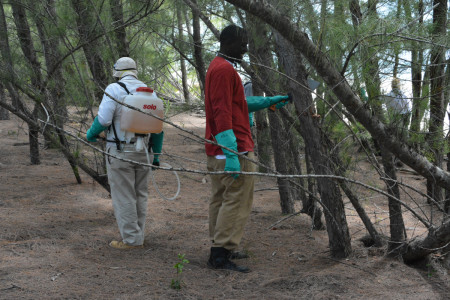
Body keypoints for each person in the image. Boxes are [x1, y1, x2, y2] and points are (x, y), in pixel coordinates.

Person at [205, 25, 290, 273]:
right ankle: (219, 256)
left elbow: (236, 104)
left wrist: (268, 101)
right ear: (228, 42)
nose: (245, 48)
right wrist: (232, 154)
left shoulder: (218, 67)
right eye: (242, 43)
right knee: (236, 200)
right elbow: (222, 113)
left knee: (222, 199)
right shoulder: (223, 70)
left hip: (220, 149)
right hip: (235, 149)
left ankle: (220, 248)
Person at [86, 57, 164, 249]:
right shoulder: (149, 92)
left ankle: (131, 240)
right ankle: (139, 236)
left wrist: (90, 134)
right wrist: (156, 156)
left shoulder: (114, 89)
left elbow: (104, 120)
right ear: (135, 71)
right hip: (143, 151)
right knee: (140, 195)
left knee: (124, 196)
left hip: (120, 150)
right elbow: (158, 128)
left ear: (117, 72)